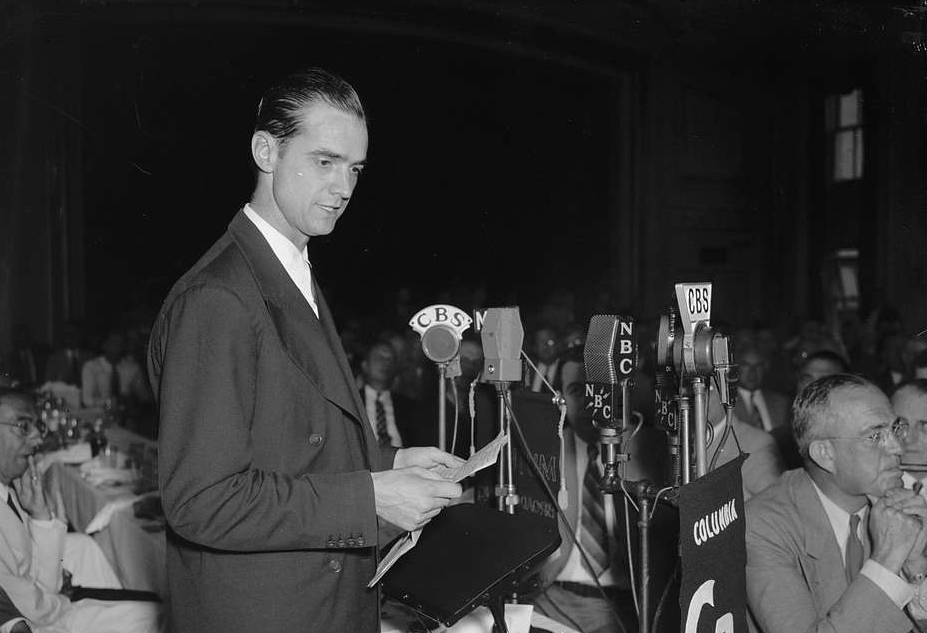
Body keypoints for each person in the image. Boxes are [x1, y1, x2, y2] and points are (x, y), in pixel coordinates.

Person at [147, 67, 463, 633]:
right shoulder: (218, 296)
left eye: (355, 168)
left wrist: (388, 463)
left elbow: (290, 440)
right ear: (265, 150)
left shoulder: (288, 271)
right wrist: (369, 498)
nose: (344, 187)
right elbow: (202, 501)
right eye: (324, 161)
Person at [746, 374, 927, 633]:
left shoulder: (899, 502)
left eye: (895, 429)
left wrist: (916, 565)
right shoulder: (763, 526)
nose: (898, 447)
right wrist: (887, 560)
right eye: (875, 437)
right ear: (826, 454)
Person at [0, 388, 161, 633]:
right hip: (38, 623)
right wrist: (69, 601)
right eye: (23, 427)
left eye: (37, 428)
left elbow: (38, 578)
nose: (37, 439)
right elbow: (31, 607)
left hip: (43, 605)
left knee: (86, 547)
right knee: (155, 615)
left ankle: (117, 600)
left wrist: (41, 516)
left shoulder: (8, 490)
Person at [357, 340, 416, 448]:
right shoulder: (352, 401)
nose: (385, 363)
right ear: (365, 365)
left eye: (390, 360)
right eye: (379, 358)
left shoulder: (408, 407)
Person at [81, 331, 150, 408]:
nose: (118, 347)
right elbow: (87, 400)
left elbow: (144, 397)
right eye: (113, 343)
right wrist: (113, 402)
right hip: (99, 414)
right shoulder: (91, 367)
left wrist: (133, 399)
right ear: (104, 345)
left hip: (128, 414)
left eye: (120, 343)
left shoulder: (132, 368)